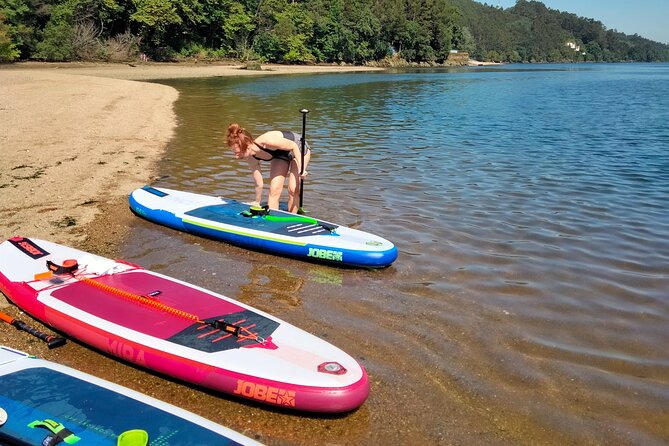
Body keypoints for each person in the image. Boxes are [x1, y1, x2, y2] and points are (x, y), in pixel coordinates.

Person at [226, 123, 311, 214]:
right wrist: (257, 202)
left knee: (293, 189)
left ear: (246, 145)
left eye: (237, 153)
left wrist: (301, 169)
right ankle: (272, 217)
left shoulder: (267, 140)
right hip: (281, 154)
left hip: (298, 147)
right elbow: (259, 184)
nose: (236, 157)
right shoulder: (251, 159)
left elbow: (293, 146)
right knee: (274, 190)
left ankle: (293, 216)